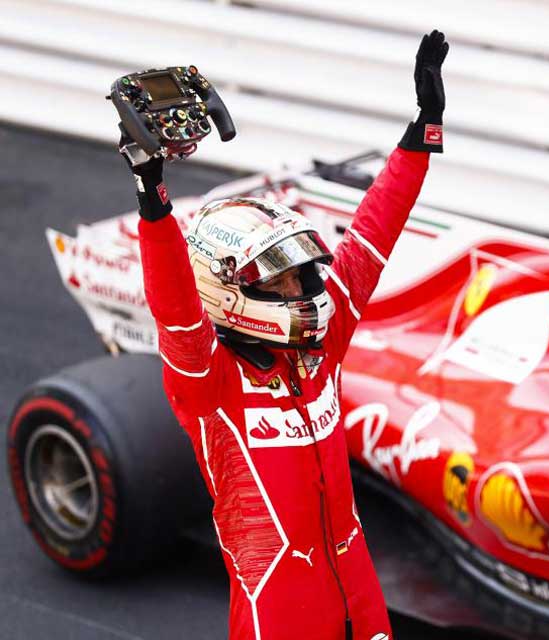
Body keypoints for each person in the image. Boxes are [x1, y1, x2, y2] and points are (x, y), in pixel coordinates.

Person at [119, 30, 448, 640]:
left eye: (301, 273)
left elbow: (372, 236)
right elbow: (176, 311)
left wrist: (422, 130)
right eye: (283, 279)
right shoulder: (209, 384)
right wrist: (153, 197)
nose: (303, 290)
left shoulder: (322, 347)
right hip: (278, 613)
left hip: (360, 595)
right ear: (228, 291)